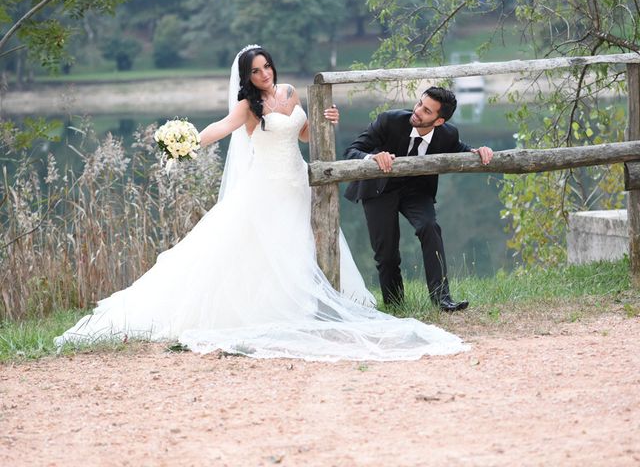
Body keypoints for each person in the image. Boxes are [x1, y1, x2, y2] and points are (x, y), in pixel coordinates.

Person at [55, 46, 469, 360]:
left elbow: (304, 136)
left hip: (295, 183)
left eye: (267, 67)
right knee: (255, 247)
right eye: (256, 71)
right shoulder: (247, 106)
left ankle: (309, 306)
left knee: (301, 244)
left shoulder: (289, 93)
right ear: (247, 76)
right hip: (264, 186)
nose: (265, 74)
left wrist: (326, 122)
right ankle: (267, 309)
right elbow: (221, 128)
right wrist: (185, 142)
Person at [345, 87, 493, 311]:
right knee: (387, 253)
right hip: (379, 188)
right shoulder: (389, 120)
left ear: (439, 120)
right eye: (419, 104)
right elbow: (352, 150)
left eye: (426, 111)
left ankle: (442, 299)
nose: (417, 111)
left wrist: (478, 151)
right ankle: (396, 306)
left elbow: (459, 150)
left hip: (416, 190)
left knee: (429, 226)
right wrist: (373, 157)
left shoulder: (448, 134)